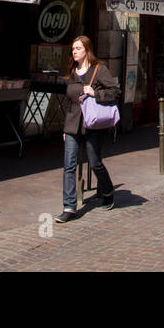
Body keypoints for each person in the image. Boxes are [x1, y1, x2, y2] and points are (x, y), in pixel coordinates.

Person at [55, 36, 119, 223]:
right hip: (72, 124)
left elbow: (115, 92)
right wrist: (65, 129)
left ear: (87, 50)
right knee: (69, 165)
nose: (74, 51)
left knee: (95, 162)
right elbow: (69, 100)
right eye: (73, 49)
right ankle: (69, 207)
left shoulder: (100, 70)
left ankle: (107, 190)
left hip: (93, 124)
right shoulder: (71, 71)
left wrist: (95, 93)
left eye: (78, 48)